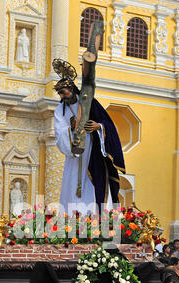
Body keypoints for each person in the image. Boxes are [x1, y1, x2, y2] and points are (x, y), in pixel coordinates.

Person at [53, 65, 125, 215]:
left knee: (93, 185)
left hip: (92, 152)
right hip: (74, 154)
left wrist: (98, 126)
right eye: (59, 94)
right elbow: (59, 134)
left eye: (63, 92)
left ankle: (95, 217)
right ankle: (71, 220)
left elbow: (109, 125)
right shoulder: (59, 111)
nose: (62, 96)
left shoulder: (88, 102)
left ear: (71, 88)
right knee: (73, 184)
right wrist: (71, 129)